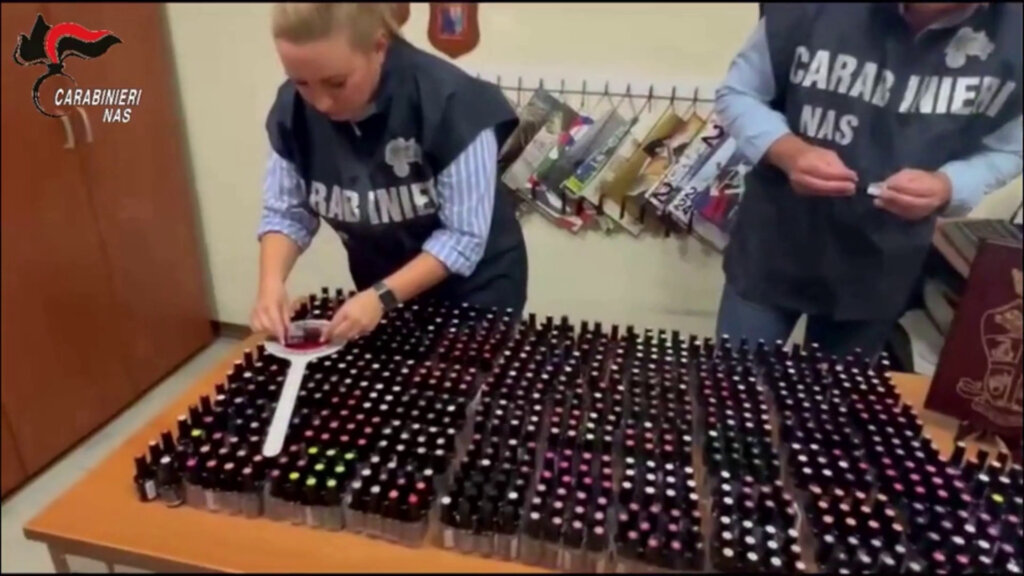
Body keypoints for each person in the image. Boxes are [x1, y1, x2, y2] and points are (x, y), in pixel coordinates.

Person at [715, 3, 1023, 359]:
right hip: (774, 246)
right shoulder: (805, 10)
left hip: (881, 265)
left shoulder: (1014, 33)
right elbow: (739, 93)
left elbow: (1011, 148)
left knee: (839, 393)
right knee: (732, 383)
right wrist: (789, 151)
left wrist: (949, 184)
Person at [250, 4, 528, 344]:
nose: (320, 103)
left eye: (336, 83)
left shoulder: (452, 101)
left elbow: (463, 238)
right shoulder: (294, 110)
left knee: (458, 377)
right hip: (380, 292)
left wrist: (382, 296)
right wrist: (271, 284)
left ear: (379, 47)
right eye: (301, 82)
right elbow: (287, 213)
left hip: (474, 296)